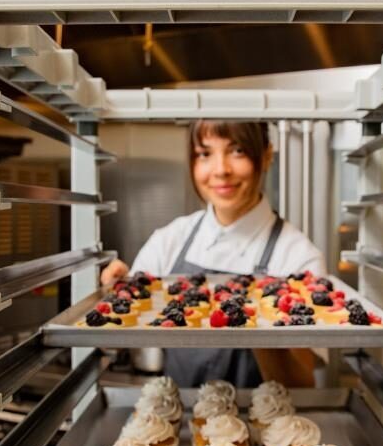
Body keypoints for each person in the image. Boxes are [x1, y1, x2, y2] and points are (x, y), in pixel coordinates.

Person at [100, 120, 324, 389]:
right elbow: (117, 344)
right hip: (178, 412)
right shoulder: (169, 240)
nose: (220, 170)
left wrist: (258, 320)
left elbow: (301, 385)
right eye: (205, 154)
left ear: (266, 155)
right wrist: (120, 296)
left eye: (237, 151)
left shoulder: (298, 258)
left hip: (261, 415)